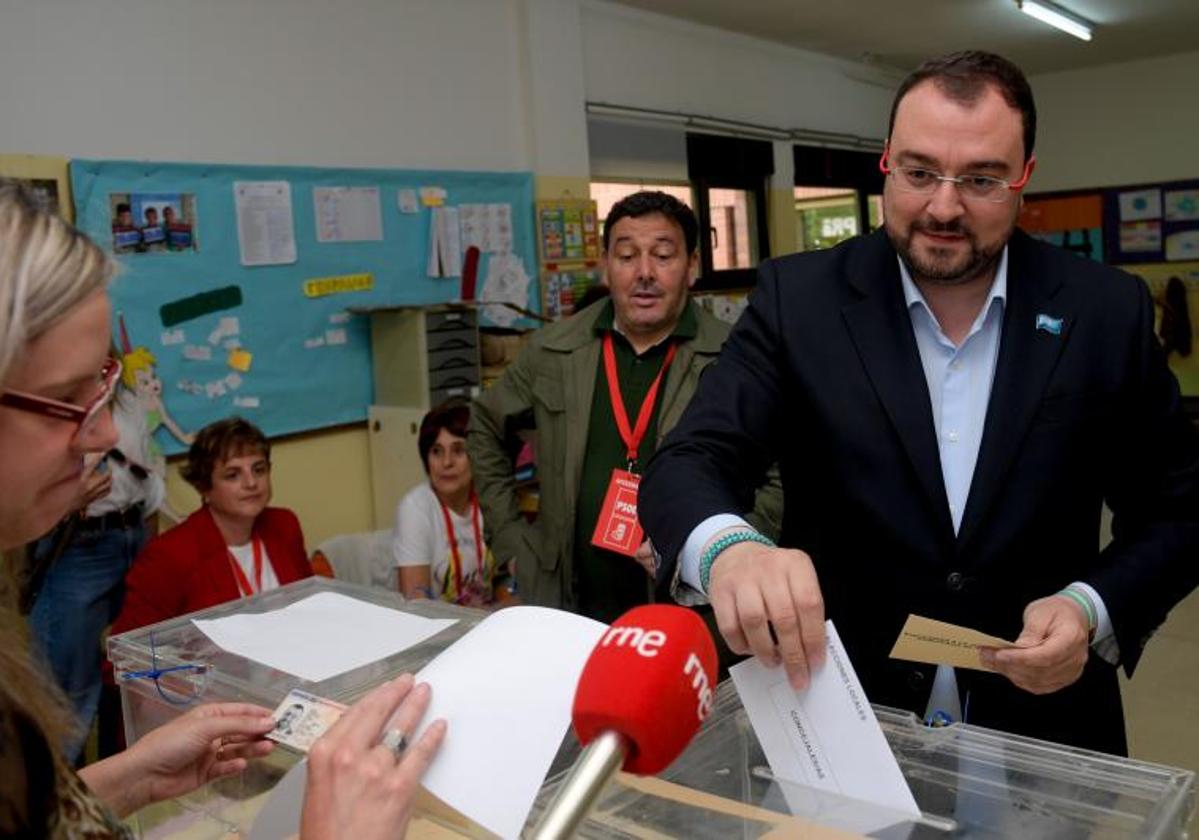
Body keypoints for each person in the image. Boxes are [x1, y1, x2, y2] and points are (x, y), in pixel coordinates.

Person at [640, 51, 1199, 756]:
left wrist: (1089, 608)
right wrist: (729, 550)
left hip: (1041, 723)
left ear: (1024, 177)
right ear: (885, 162)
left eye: (980, 180)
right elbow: (692, 457)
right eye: (918, 172)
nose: (942, 205)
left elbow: (1179, 509)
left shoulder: (1102, 310)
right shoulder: (798, 301)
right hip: (839, 711)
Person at [0, 181, 444, 838]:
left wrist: (129, 778)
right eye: (70, 397)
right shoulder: (171, 555)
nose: (102, 437)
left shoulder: (283, 527)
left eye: (105, 387)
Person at [469, 190, 781, 624]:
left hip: (693, 610)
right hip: (568, 605)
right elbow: (484, 425)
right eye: (627, 255)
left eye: (663, 255)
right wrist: (510, 540)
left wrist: (723, 551)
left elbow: (783, 474)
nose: (644, 273)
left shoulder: (733, 355)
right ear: (605, 263)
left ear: (691, 265)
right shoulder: (554, 349)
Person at [26, 376, 167, 763]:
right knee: (68, 688)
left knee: (129, 677)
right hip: (78, 543)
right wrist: (62, 504)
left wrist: (150, 550)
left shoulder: (127, 402)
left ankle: (117, 780)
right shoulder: (37, 411)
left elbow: (149, 478)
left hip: (132, 533)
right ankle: (59, 803)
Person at [112, 417, 312, 633]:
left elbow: (309, 608)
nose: (251, 483)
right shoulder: (169, 555)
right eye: (233, 475)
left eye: (259, 469)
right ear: (204, 487)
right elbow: (128, 654)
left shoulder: (284, 525)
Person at [393, 399, 512, 607]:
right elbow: (416, 606)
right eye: (436, 451)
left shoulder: (491, 499)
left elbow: (507, 582)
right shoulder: (415, 509)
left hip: (486, 625)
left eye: (458, 450)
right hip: (436, 630)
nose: (446, 463)